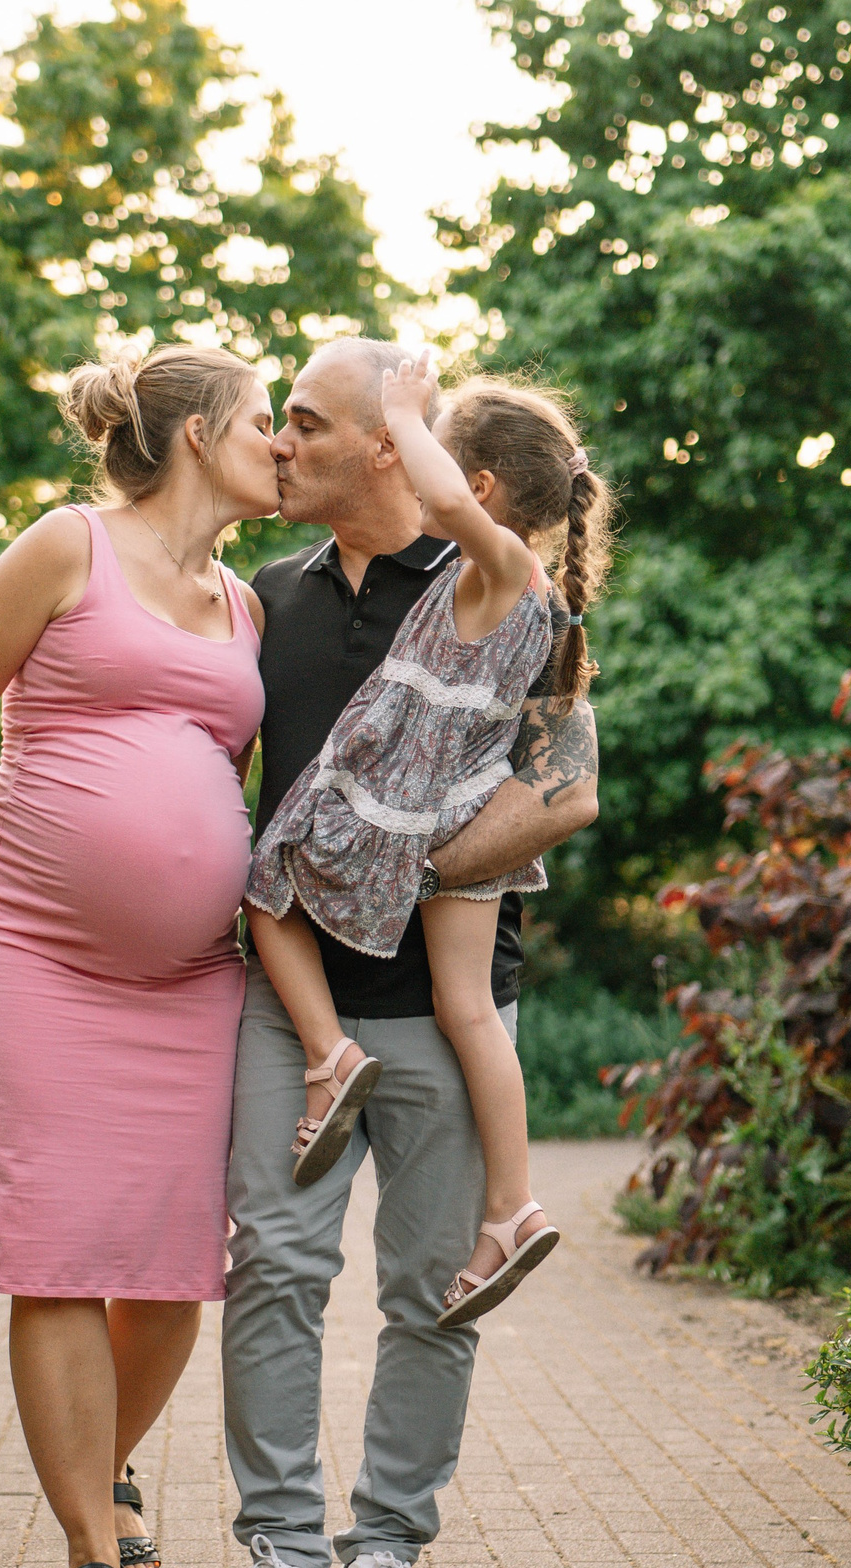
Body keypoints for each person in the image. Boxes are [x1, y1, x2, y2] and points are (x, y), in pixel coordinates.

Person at [223, 339, 603, 1568]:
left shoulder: (504, 587)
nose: (278, 444)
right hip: (293, 1002)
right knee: (272, 1263)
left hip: (447, 1003)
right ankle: (281, 1552)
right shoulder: (264, 597)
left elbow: (568, 793)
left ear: (390, 445)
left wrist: (407, 867)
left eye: (306, 424)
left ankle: (383, 1550)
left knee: (437, 1293)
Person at [0, 342, 276, 1568]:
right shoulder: (66, 546)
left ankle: (106, 1469)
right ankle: (85, 1550)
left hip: (189, 982)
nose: (280, 444)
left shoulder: (245, 604)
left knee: (174, 1252)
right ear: (194, 438)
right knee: (59, 1245)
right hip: (36, 960)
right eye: (263, 422)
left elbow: (223, 777)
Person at [243, 356, 612, 1329]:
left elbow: (572, 784)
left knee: (264, 884)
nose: (417, 463)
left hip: (422, 820)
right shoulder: (533, 591)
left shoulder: (493, 570)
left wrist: (402, 410)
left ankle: (329, 1063)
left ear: (477, 489)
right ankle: (513, 1207)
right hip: (460, 817)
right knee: (470, 1013)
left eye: (429, 451)